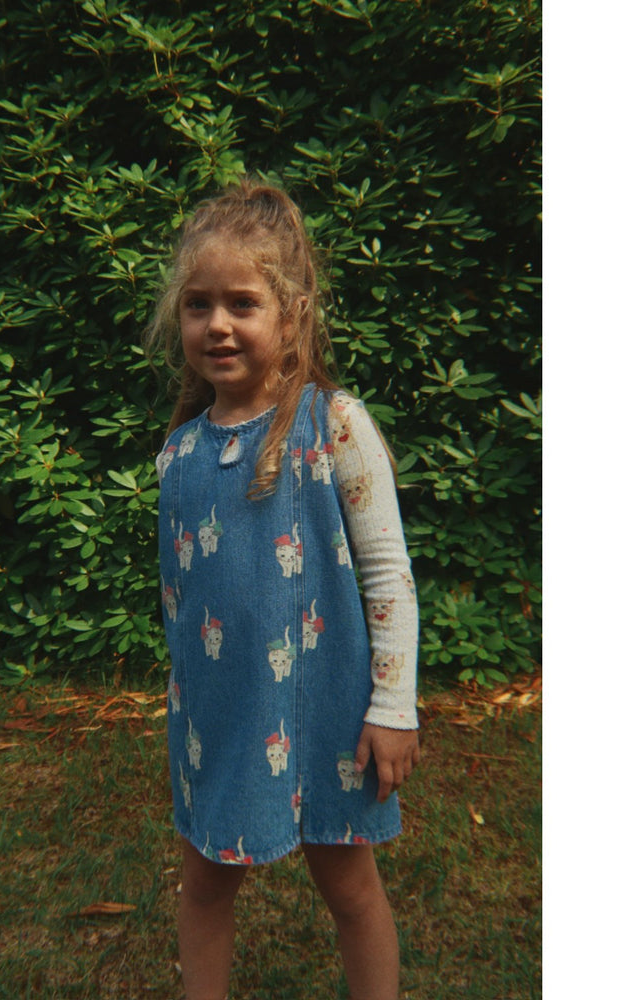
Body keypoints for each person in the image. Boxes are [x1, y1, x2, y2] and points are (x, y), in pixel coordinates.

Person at [146, 178, 420, 1000]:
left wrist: (393, 706)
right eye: (198, 304)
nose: (218, 324)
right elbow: (181, 602)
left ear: (292, 315)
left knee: (351, 889)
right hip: (221, 719)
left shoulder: (334, 425)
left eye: (243, 303)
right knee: (204, 885)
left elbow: (388, 573)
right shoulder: (178, 454)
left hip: (329, 713)